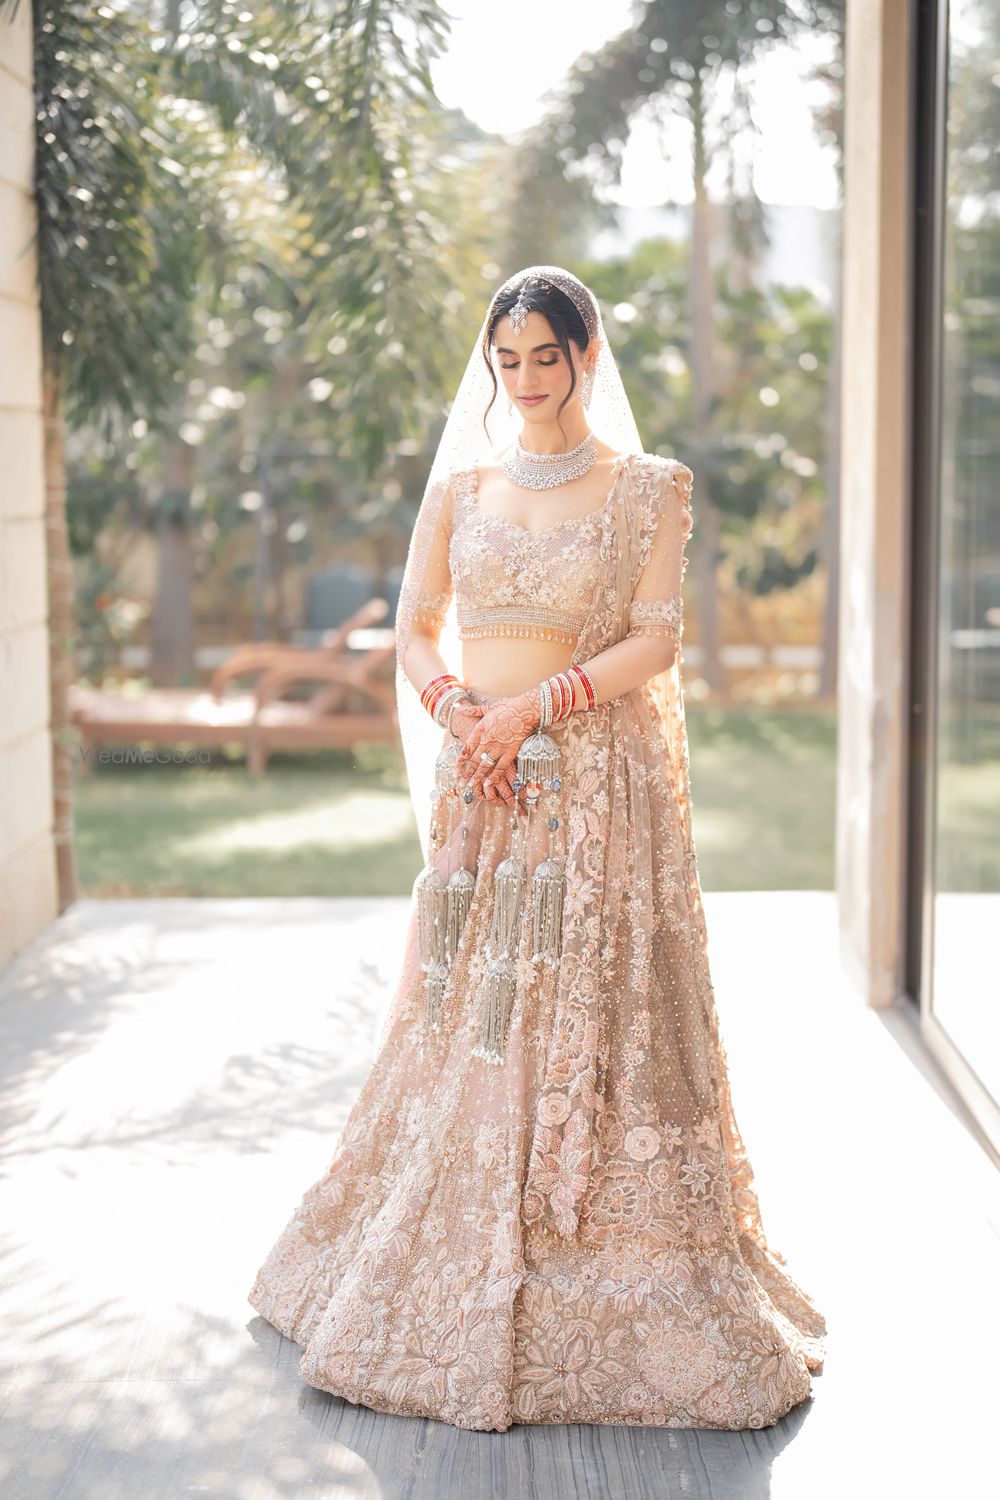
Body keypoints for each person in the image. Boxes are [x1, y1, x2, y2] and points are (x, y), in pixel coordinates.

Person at [248, 265, 827, 1432]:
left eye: (544, 359)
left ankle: (587, 1249)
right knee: (475, 1014)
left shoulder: (649, 490)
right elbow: (415, 631)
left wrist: (536, 709)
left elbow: (655, 642)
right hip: (485, 792)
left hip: (589, 796)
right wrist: (465, 716)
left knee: (582, 1009)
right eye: (506, 360)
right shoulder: (461, 490)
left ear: (587, 357)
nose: (523, 382)